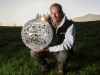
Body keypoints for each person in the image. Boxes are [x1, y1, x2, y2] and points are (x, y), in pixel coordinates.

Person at [30, 3, 76, 75]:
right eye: (52, 13)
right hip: (50, 51)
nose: (54, 16)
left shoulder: (70, 25)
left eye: (56, 13)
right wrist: (35, 40)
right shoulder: (48, 25)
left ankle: (61, 70)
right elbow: (44, 38)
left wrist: (49, 49)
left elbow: (68, 45)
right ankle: (45, 67)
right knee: (33, 52)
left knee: (64, 54)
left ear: (61, 13)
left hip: (62, 52)